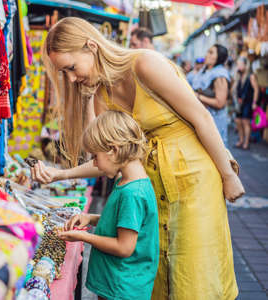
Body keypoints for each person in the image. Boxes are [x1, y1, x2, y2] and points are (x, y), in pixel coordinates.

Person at [33, 17, 244, 299]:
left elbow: (201, 117)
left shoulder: (144, 64)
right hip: (153, 188)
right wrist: (58, 174)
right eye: (65, 73)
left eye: (71, 68)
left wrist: (227, 175)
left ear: (91, 46)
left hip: (193, 181)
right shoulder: (100, 96)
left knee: (195, 276)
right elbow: (104, 156)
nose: (71, 78)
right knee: (157, 277)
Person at [59, 111, 159, 300]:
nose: (95, 164)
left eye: (95, 157)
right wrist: (90, 218)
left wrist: (84, 237)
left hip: (121, 289)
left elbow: (124, 247)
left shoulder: (132, 193)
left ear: (113, 150)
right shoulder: (127, 182)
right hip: (116, 285)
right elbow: (122, 224)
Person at [192, 44, 231, 146]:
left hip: (214, 121)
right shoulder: (204, 70)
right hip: (201, 119)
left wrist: (198, 97)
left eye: (211, 52)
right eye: (207, 52)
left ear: (219, 57)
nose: (207, 55)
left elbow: (220, 103)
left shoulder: (220, 75)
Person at [233, 56, 259, 150]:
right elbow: (234, 89)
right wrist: (236, 75)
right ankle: (241, 139)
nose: (238, 66)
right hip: (240, 102)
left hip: (248, 102)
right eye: (238, 64)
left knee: (245, 121)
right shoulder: (239, 76)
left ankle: (246, 142)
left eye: (240, 64)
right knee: (238, 121)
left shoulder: (251, 76)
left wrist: (254, 102)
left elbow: (256, 90)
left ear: (245, 65)